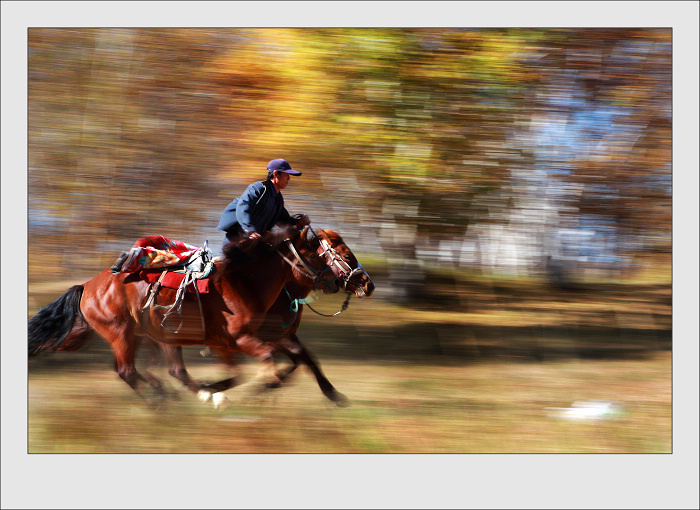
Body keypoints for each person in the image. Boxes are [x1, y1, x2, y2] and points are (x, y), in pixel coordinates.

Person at [217, 158, 310, 246]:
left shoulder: (278, 198)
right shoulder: (258, 189)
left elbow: (284, 220)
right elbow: (243, 208)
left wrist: (299, 223)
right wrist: (251, 230)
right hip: (237, 240)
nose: (289, 178)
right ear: (276, 174)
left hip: (256, 243)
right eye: (287, 175)